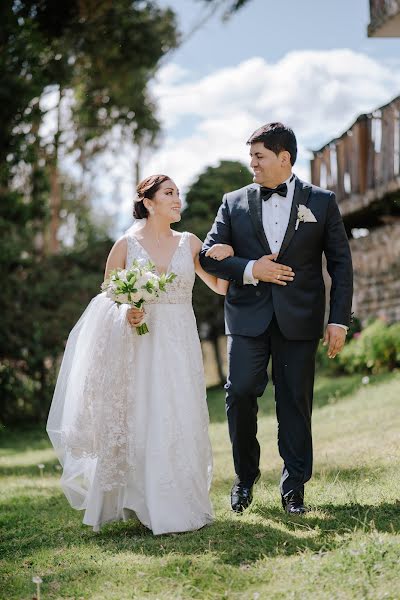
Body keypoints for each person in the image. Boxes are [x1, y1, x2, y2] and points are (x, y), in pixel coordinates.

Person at [47, 174, 232, 535]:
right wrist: (127, 312)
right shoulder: (126, 245)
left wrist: (225, 256)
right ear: (148, 202)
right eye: (169, 193)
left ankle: (180, 501)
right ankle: (141, 499)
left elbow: (219, 287)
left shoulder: (190, 242)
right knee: (144, 413)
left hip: (180, 343)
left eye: (178, 193)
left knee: (179, 413)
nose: (177, 199)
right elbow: (108, 299)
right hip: (140, 343)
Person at [200, 122, 353, 515]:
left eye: (258, 156)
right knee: (240, 392)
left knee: (295, 403)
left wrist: (338, 320)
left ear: (284, 158)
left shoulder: (321, 201)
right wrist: (252, 268)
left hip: (300, 320)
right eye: (250, 155)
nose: (251, 163)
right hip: (247, 318)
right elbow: (206, 255)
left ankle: (294, 489)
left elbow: (341, 265)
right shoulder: (232, 202)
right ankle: (245, 478)